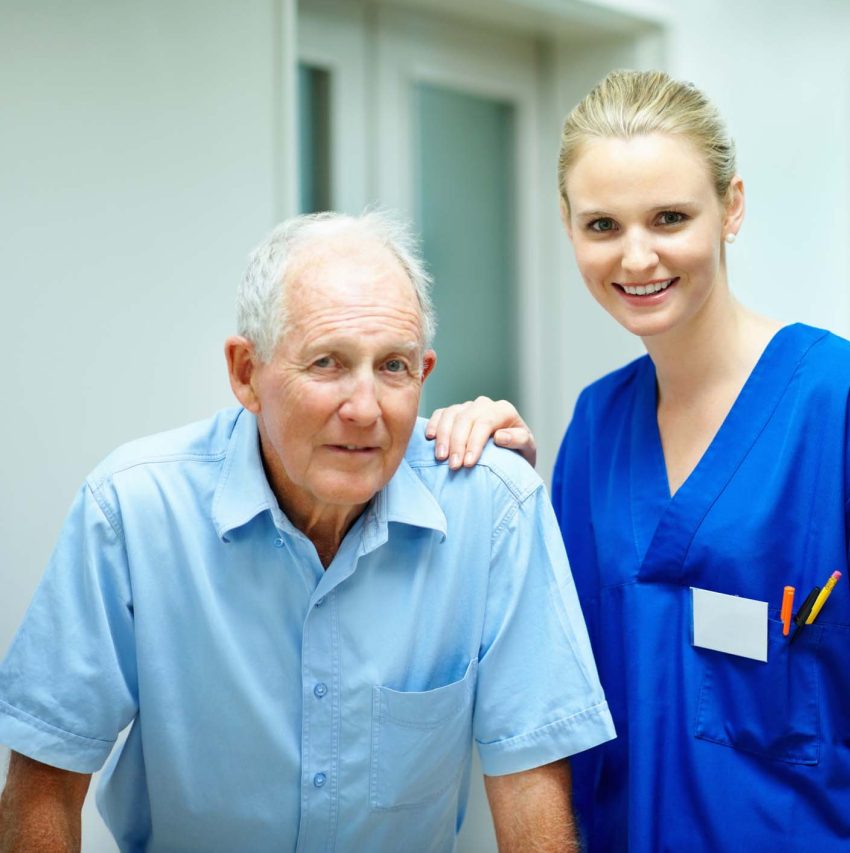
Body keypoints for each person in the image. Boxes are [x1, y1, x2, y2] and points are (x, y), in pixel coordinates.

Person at [426, 70, 850, 851]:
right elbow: (552, 668)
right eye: (602, 225)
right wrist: (500, 481)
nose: (637, 257)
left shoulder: (843, 403)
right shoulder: (595, 429)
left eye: (670, 217)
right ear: (567, 226)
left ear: (731, 208)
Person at [0, 212, 614, 852]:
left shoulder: (492, 508)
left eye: (394, 367)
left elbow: (529, 791)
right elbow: (44, 784)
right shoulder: (131, 510)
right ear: (246, 373)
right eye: (327, 363)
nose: (365, 408)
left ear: (424, 374)